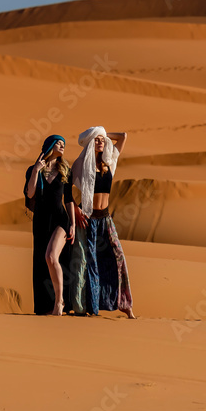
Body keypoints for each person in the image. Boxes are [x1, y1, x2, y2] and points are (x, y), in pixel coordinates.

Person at [71, 126, 135, 319]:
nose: (100, 142)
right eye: (96, 140)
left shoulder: (109, 161)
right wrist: (75, 209)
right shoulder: (81, 163)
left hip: (106, 219)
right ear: (90, 142)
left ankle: (125, 305)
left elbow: (123, 137)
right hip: (89, 219)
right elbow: (66, 190)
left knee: (118, 257)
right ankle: (92, 306)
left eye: (102, 140)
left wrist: (103, 133)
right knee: (91, 263)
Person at [24, 135, 76, 316]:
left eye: (64, 144)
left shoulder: (65, 169)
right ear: (50, 146)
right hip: (41, 221)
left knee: (52, 257)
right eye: (59, 144)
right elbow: (30, 194)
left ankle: (59, 302)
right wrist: (36, 171)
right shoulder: (33, 169)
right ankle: (45, 306)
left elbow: (68, 199)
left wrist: (73, 225)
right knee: (41, 262)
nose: (62, 147)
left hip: (60, 220)